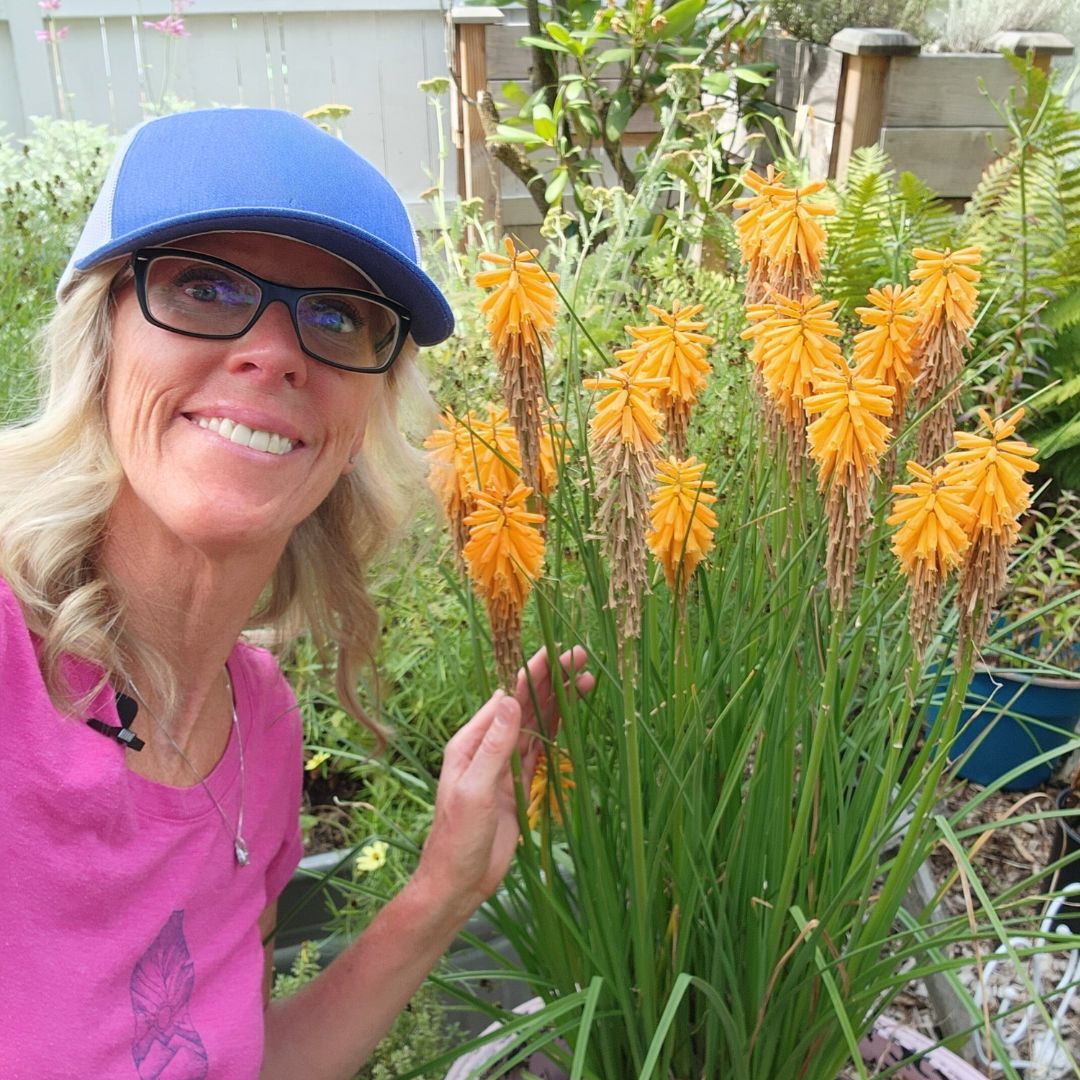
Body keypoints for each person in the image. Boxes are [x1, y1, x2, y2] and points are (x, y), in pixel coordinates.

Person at [0, 107, 592, 1080]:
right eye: (202, 285)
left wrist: (442, 888)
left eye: (336, 316)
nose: (274, 353)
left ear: (365, 417)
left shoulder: (261, 726)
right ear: (99, 343)